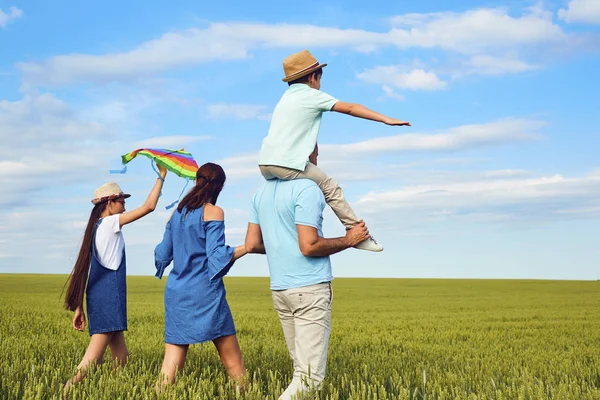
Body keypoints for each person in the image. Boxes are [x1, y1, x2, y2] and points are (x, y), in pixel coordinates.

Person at [245, 147, 370, 399]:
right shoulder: (308, 189)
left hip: (281, 290)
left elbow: (252, 244)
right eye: (315, 154)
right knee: (309, 380)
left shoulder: (261, 194)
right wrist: (350, 239)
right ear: (303, 155)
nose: (316, 160)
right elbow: (309, 245)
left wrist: (283, 244)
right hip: (309, 288)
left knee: (300, 373)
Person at [258, 49, 410, 252]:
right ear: (313, 77)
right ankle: (358, 232)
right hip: (286, 162)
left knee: (295, 190)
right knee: (330, 187)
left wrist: (313, 162)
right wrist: (386, 119)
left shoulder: (286, 99)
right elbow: (350, 107)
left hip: (266, 163)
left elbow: (305, 138)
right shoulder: (311, 95)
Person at [63, 165, 167, 391]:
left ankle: (116, 391)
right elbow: (149, 207)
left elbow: (85, 272)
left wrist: (79, 306)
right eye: (121, 200)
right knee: (92, 359)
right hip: (109, 298)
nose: (124, 204)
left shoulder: (97, 228)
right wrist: (162, 177)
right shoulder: (110, 224)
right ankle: (66, 391)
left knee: (121, 357)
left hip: (100, 297)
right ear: (109, 204)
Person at [154, 162, 247, 390]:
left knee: (170, 366)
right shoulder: (214, 212)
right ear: (220, 187)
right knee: (234, 365)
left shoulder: (178, 213)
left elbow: (162, 254)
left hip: (177, 294)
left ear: (197, 181)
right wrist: (248, 247)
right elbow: (216, 257)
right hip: (205, 295)